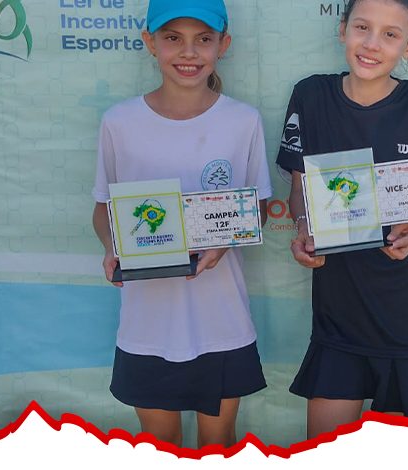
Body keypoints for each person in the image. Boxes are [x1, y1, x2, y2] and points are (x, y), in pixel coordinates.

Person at [276, 0, 408, 439]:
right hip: (338, 318)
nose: (372, 44)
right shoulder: (311, 95)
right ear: (343, 28)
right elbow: (299, 190)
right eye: (362, 27)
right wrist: (304, 227)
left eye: (390, 34)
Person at [91, 0, 272, 448]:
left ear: (222, 45)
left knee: (218, 443)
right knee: (158, 446)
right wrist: (112, 246)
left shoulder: (243, 120)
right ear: (150, 42)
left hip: (221, 319)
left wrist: (225, 241)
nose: (188, 52)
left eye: (203, 39)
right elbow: (104, 208)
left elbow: (258, 206)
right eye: (173, 38)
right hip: (147, 323)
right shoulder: (119, 122)